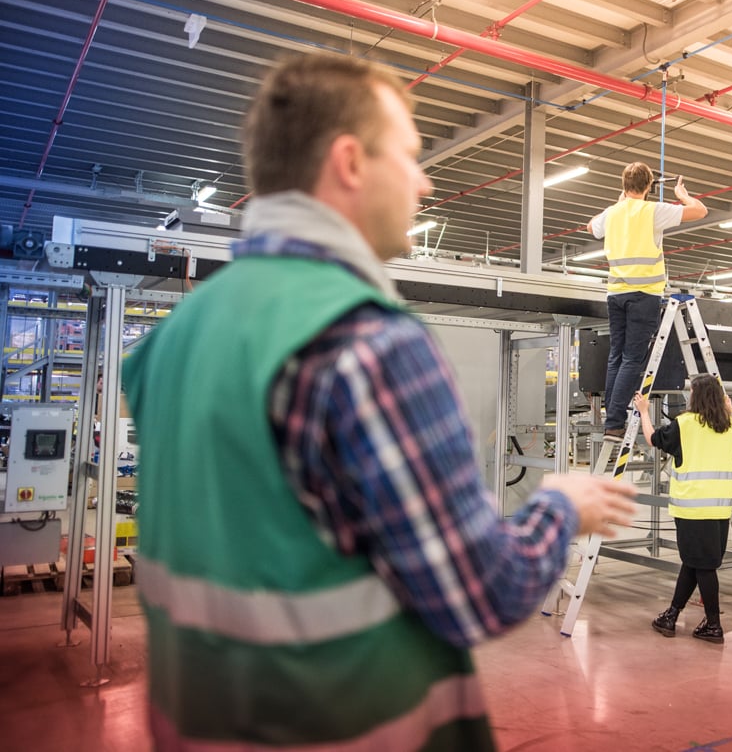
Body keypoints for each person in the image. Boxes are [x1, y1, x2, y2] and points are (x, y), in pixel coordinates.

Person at [122, 53, 637, 752]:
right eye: (410, 156)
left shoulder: (172, 339)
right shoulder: (369, 343)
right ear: (350, 163)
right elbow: (479, 592)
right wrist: (560, 506)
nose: (424, 182)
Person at [589, 162, 706, 438]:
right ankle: (613, 423)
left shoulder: (613, 213)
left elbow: (590, 226)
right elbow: (700, 210)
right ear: (649, 186)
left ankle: (613, 420)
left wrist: (618, 203)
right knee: (632, 359)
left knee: (616, 357)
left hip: (616, 294)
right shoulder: (653, 211)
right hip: (644, 295)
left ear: (623, 185)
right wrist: (682, 195)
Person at [633, 374, 732, 644]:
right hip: (720, 510)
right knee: (695, 562)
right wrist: (729, 412)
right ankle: (671, 615)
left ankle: (713, 625)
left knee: (704, 567)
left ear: (696, 395)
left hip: (693, 509)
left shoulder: (685, 424)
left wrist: (644, 411)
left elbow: (652, 439)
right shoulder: (729, 425)